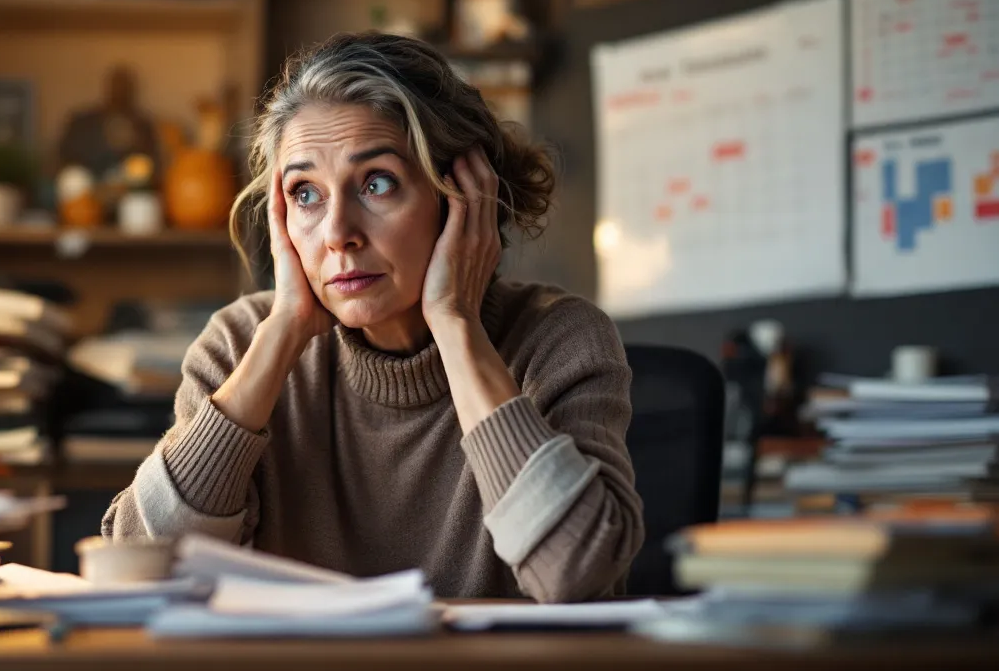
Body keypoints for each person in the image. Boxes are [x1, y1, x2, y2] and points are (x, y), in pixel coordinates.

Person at [102, 32, 643, 602]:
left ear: (463, 196)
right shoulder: (238, 345)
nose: (337, 234)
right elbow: (137, 571)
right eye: (306, 195)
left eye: (377, 183)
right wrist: (282, 332)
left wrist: (456, 325)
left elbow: (580, 575)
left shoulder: (560, 341)